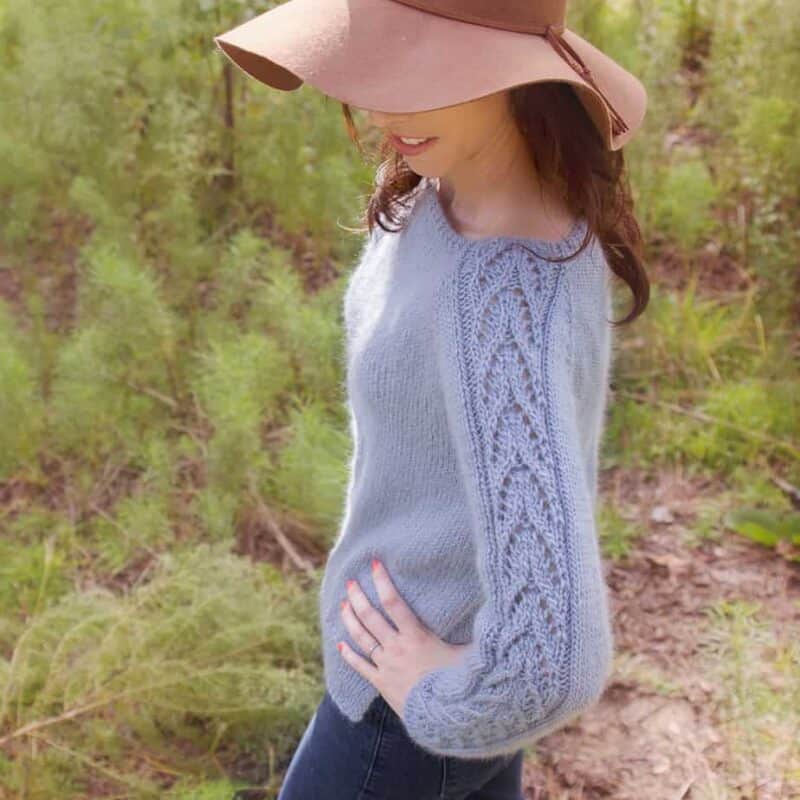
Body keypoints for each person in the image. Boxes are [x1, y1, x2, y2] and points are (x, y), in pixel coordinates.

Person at [214, 2, 649, 798]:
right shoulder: (444, 193)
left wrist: (438, 697)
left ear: (514, 76)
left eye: (416, 72)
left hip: (400, 721)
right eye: (372, 70)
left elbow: (551, 664)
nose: (380, 110)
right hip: (422, 676)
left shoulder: (503, 290)